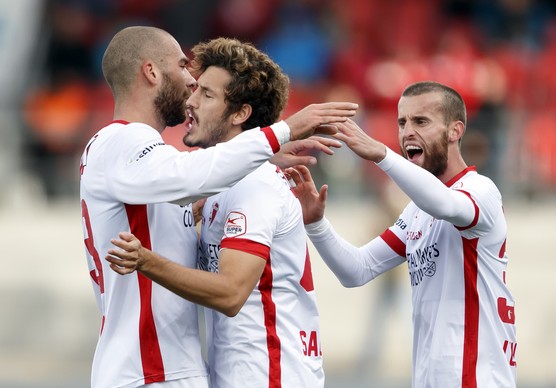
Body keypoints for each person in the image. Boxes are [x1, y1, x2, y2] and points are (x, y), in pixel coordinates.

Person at [80, 26, 356, 388]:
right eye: (183, 66)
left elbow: (185, 199)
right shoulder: (129, 142)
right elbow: (190, 176)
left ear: (240, 113)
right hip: (154, 369)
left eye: (205, 92)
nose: (190, 87)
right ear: (151, 72)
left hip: (183, 369)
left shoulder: (142, 159)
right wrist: (283, 131)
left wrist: (260, 161)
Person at [286, 81, 517, 387]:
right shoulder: (416, 211)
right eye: (402, 122)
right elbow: (357, 270)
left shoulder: (480, 190)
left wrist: (380, 154)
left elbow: (444, 203)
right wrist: (316, 225)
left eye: (421, 121)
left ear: (455, 131)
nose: (407, 131)